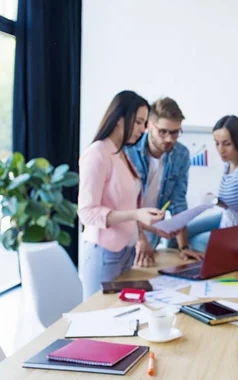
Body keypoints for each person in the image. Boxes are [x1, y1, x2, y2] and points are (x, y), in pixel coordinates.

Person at [78, 90, 164, 300]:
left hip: (125, 253)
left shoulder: (121, 153)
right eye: (139, 122)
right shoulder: (97, 153)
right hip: (104, 253)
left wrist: (154, 226)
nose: (143, 130)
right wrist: (136, 215)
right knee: (98, 319)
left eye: (144, 124)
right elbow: (87, 213)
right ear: (119, 119)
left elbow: (124, 206)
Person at [125, 97, 203, 266]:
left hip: (151, 237)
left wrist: (184, 247)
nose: (169, 139)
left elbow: (178, 202)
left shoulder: (180, 155)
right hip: (124, 232)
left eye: (175, 132)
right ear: (149, 126)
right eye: (163, 131)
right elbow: (122, 204)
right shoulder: (128, 150)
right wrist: (139, 237)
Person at [187, 115, 238, 271]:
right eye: (217, 144)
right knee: (183, 231)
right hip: (226, 218)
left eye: (226, 144)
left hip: (236, 233)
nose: (220, 150)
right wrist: (215, 200)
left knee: (194, 241)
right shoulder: (229, 165)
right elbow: (232, 203)